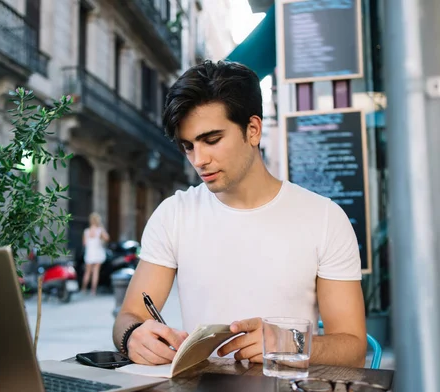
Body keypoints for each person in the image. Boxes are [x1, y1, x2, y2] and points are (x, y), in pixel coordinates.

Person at [112, 60, 367, 368]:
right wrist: (133, 336)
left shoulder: (324, 218)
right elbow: (129, 316)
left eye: (212, 140)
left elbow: (352, 346)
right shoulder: (174, 214)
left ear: (253, 130)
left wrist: (288, 341)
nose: (199, 159)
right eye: (188, 146)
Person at [82, 212, 110, 295]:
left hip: (89, 253)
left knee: (87, 272)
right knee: (95, 272)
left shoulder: (86, 231)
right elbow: (107, 238)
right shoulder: (99, 230)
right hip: (97, 252)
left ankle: (83, 289)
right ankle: (93, 291)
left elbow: (84, 243)